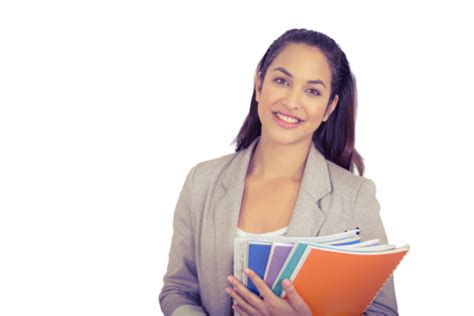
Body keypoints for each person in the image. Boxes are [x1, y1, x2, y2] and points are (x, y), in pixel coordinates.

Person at [159, 28, 399, 315]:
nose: (291, 101)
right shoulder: (202, 181)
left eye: (312, 91)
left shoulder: (354, 198)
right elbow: (178, 289)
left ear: (329, 107)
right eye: (282, 81)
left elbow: (384, 312)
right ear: (259, 84)